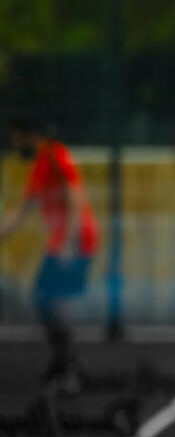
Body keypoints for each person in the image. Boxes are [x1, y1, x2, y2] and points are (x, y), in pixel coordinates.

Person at [0, 118, 100, 390]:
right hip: (62, 241)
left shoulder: (56, 155)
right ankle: (64, 362)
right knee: (44, 298)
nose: (15, 145)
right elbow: (25, 209)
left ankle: (71, 369)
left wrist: (69, 241)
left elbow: (76, 196)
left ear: (27, 135)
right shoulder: (41, 164)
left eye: (16, 138)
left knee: (53, 300)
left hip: (75, 240)